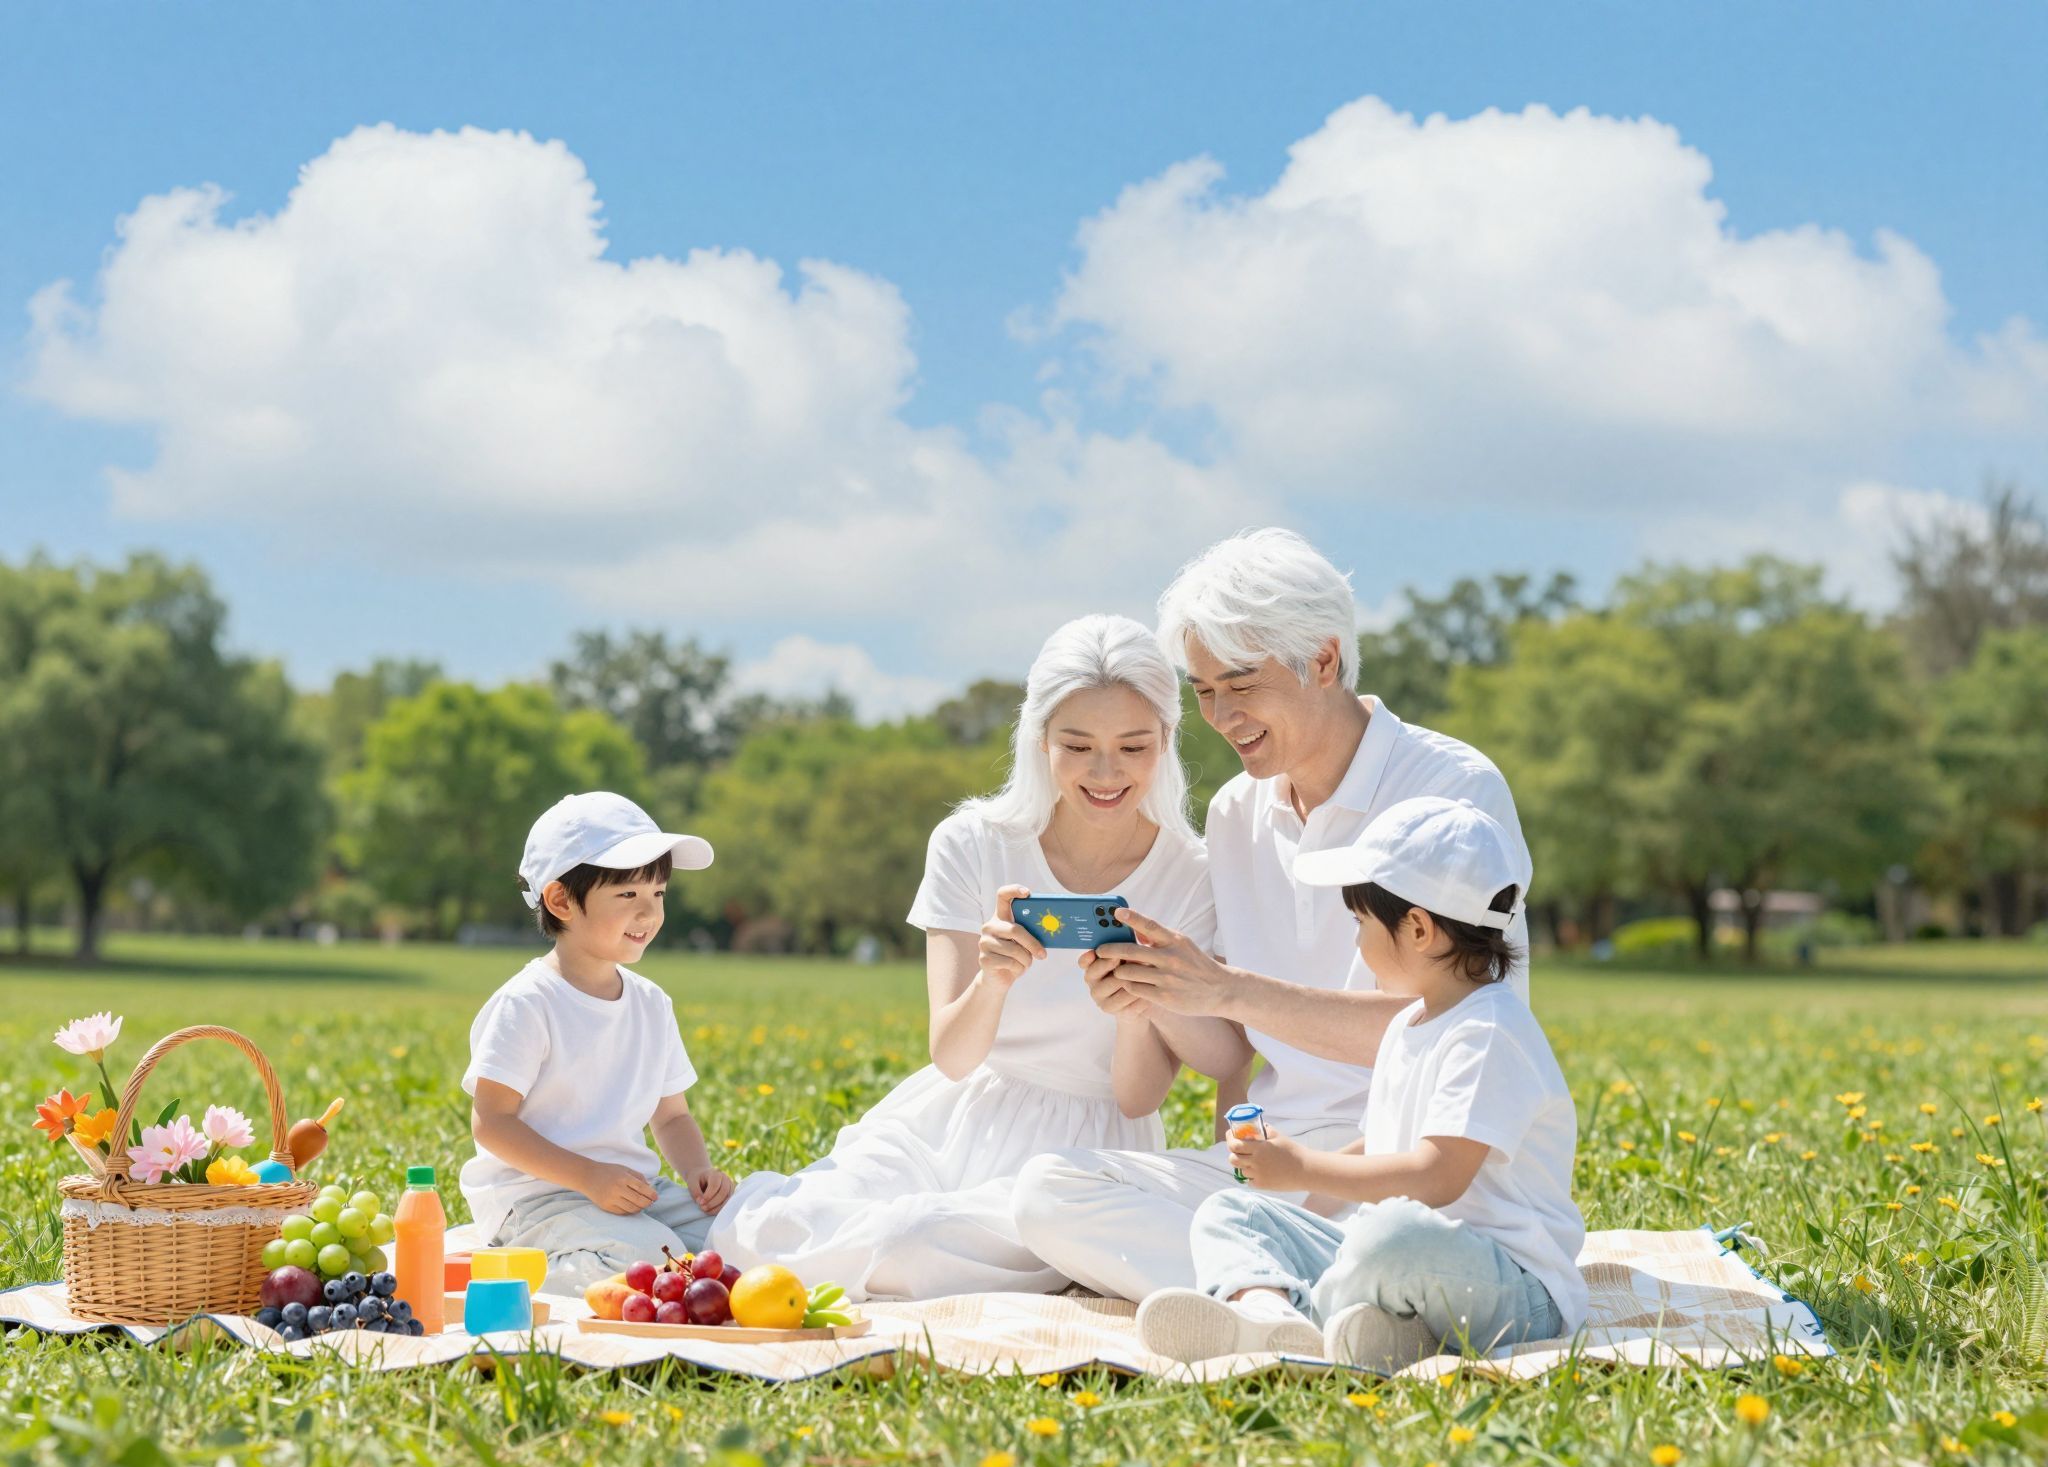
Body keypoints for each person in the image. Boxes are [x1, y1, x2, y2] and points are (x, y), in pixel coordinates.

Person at [1012, 529, 1533, 1301]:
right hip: (1279, 1160)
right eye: (1202, 689)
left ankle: (1271, 1288)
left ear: (1323, 661)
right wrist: (1159, 993)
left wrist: (1228, 989)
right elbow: (1237, 1052)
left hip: (1406, 1168)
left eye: (1241, 684)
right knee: (1048, 1194)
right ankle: (1297, 1289)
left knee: (1380, 1240)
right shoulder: (1235, 813)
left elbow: (1463, 1025)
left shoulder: (1451, 790)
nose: (1220, 715)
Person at [711, 615, 1219, 1300]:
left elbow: (1138, 1097)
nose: (1107, 772)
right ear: (1040, 741)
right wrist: (993, 981)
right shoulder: (972, 842)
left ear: (1166, 742)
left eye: (1134, 746)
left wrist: (1135, 1007)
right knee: (765, 1230)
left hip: (1082, 1149)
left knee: (910, 1243)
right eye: (1078, 745)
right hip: (950, 1114)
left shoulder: (1190, 873)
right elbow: (951, 1055)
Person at [1137, 797, 1584, 1369]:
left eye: (1361, 923)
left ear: (1419, 929)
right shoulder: (1409, 1023)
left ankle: (1290, 1322)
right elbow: (1379, 1145)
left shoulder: (1490, 1032)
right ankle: (1282, 1315)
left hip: (1517, 1289)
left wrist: (1303, 1167)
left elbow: (1437, 1175)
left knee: (1390, 1235)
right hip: (1414, 1261)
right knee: (1235, 1212)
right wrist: (1301, 1214)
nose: (1356, 942)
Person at [459, 791, 734, 1292]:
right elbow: (492, 1122)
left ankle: (640, 1244)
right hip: (537, 1198)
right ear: (561, 900)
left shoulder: (652, 1004)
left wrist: (698, 1171)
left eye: (659, 894)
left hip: (631, 1189)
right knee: (645, 1261)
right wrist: (587, 1176)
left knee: (735, 1235)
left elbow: (671, 1115)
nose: (648, 913)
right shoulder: (528, 1002)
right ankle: (513, 1272)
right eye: (628, 896)